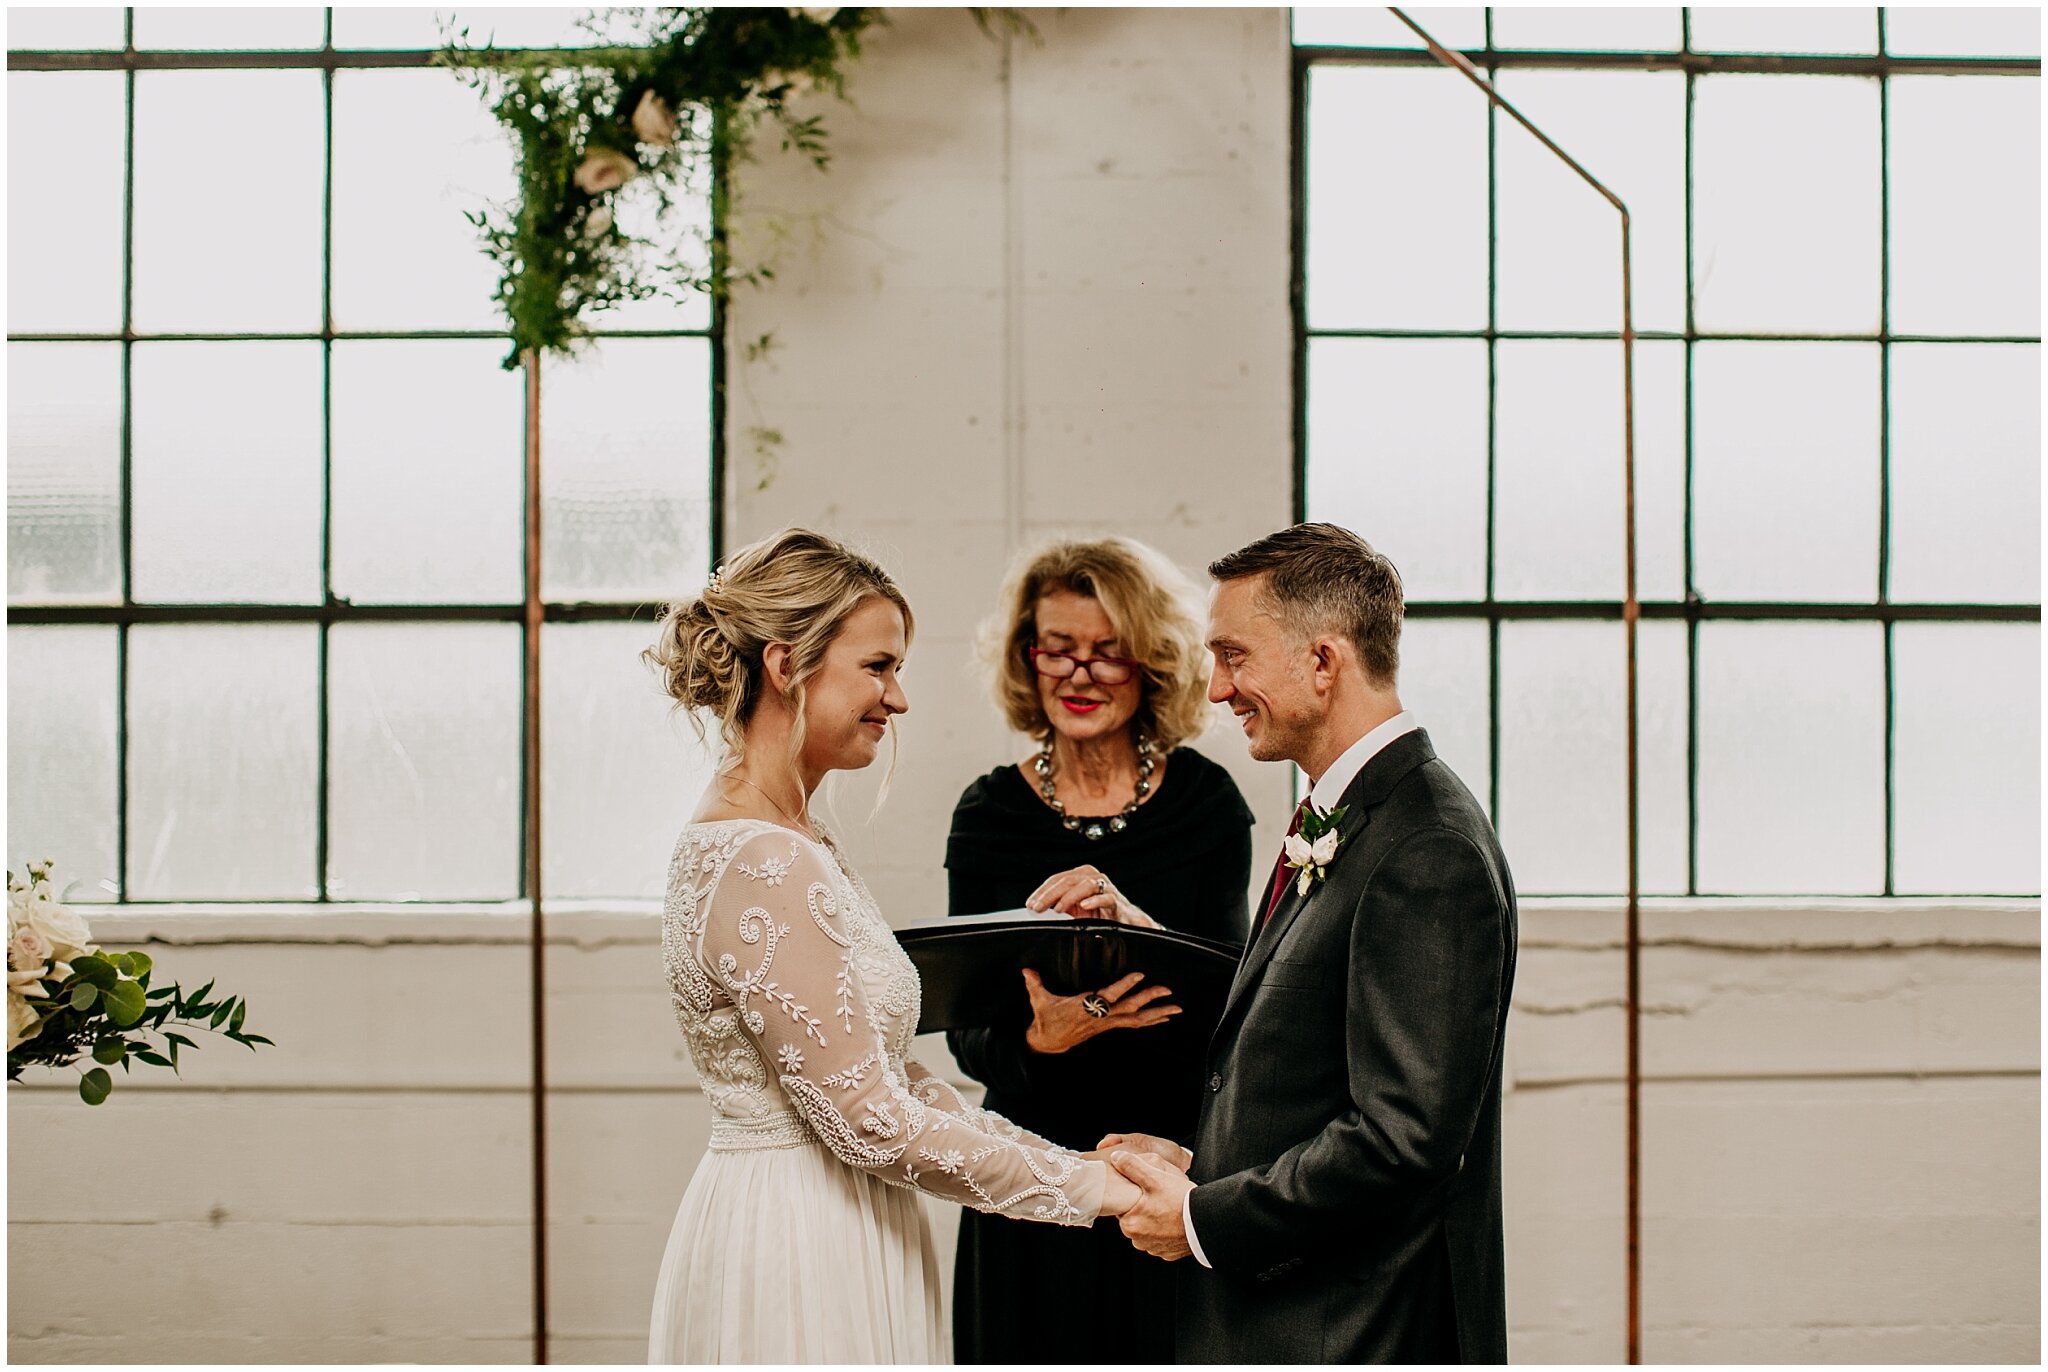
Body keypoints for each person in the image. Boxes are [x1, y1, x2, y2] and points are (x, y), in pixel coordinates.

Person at [641, 528, 1169, 1364]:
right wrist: (1097, 1191)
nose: (899, 698)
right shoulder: (762, 857)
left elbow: (896, 1080)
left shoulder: (798, 836)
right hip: (798, 1244)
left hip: (856, 1219)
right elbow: (874, 1123)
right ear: (787, 666)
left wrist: (1072, 1158)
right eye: (878, 667)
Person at [1107, 522, 1519, 1363]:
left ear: (1323, 662)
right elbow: (1314, 1065)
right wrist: (1209, 1161)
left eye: (1235, 656)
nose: (1218, 689)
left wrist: (1200, 1217)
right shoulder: (1356, 816)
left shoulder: (1425, 845)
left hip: (1356, 1332)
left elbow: (1403, 1138)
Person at [943, 538, 1254, 1364]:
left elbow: (1240, 1012)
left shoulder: (1206, 804)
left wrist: (1140, 933)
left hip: (1166, 1173)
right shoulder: (989, 813)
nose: (1079, 676)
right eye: (1059, 650)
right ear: (1028, 658)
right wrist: (1048, 1037)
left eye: (1108, 653)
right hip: (1030, 1173)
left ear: (1151, 663)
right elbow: (966, 1031)